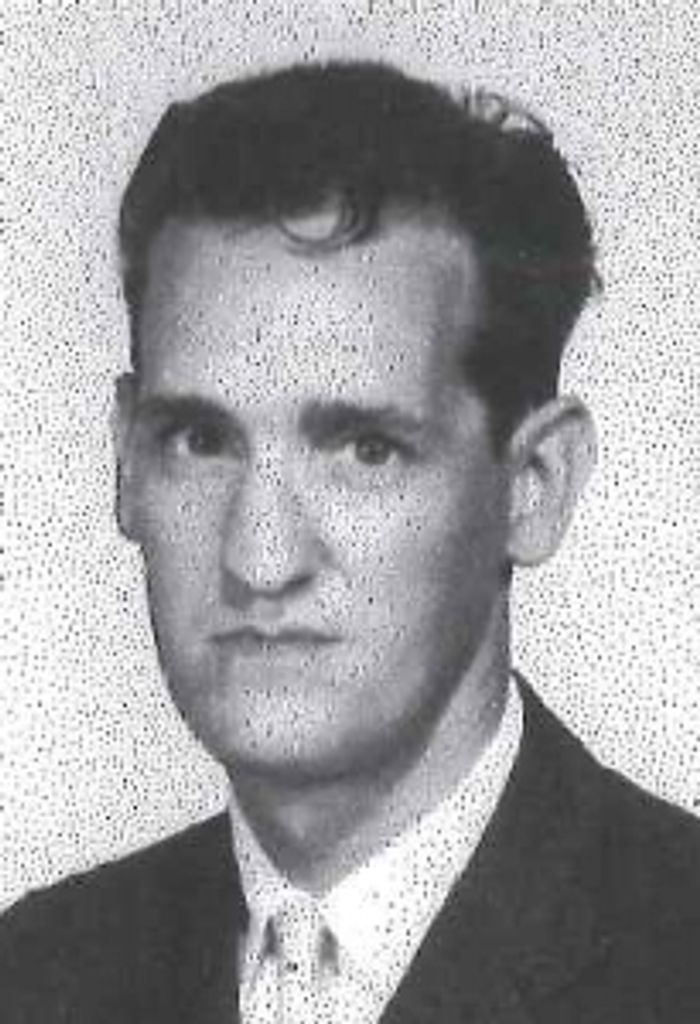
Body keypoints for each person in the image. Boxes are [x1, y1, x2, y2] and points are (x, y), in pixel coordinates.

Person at [2, 60, 698, 1024]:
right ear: (124, 462)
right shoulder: (32, 976)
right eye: (199, 440)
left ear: (533, 486)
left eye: (366, 450)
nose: (260, 559)